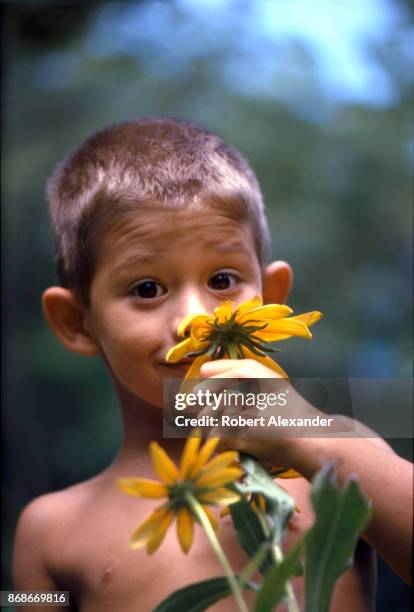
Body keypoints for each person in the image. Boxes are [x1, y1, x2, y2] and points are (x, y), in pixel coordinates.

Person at [12, 117, 409, 612]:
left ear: (271, 296)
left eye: (222, 280)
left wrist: (314, 438)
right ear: (76, 322)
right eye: (147, 290)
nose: (196, 321)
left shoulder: (338, 454)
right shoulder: (50, 530)